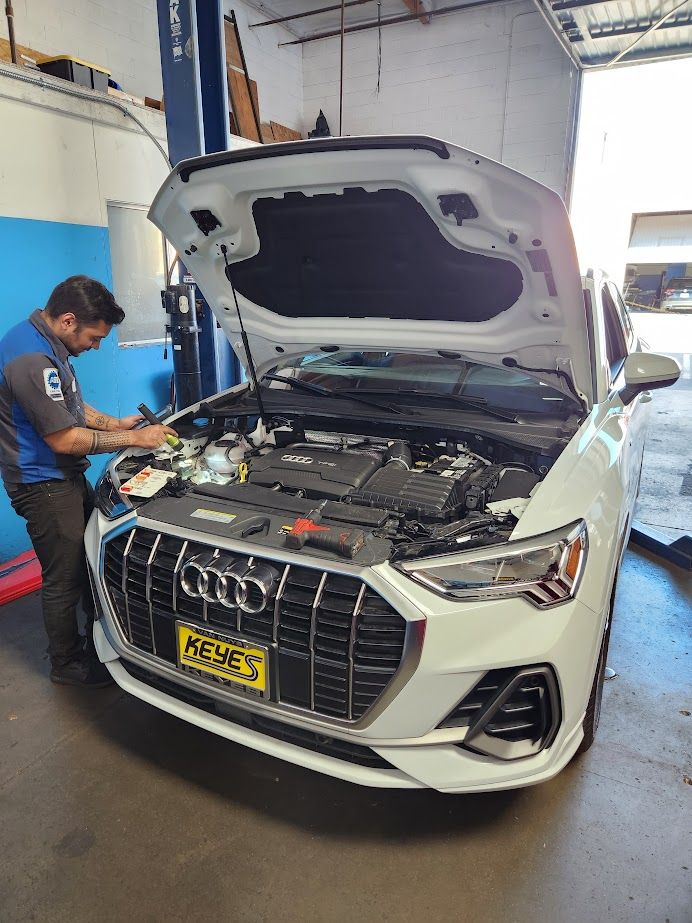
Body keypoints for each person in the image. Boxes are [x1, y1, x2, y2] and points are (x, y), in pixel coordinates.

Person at [0, 275, 177, 687]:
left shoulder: (44, 343)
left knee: (88, 561)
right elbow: (64, 437)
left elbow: (71, 407)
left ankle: (100, 640)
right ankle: (68, 664)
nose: (95, 346)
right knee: (65, 577)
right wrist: (133, 437)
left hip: (60, 477)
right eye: (94, 338)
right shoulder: (31, 359)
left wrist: (115, 423)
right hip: (42, 484)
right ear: (66, 320)